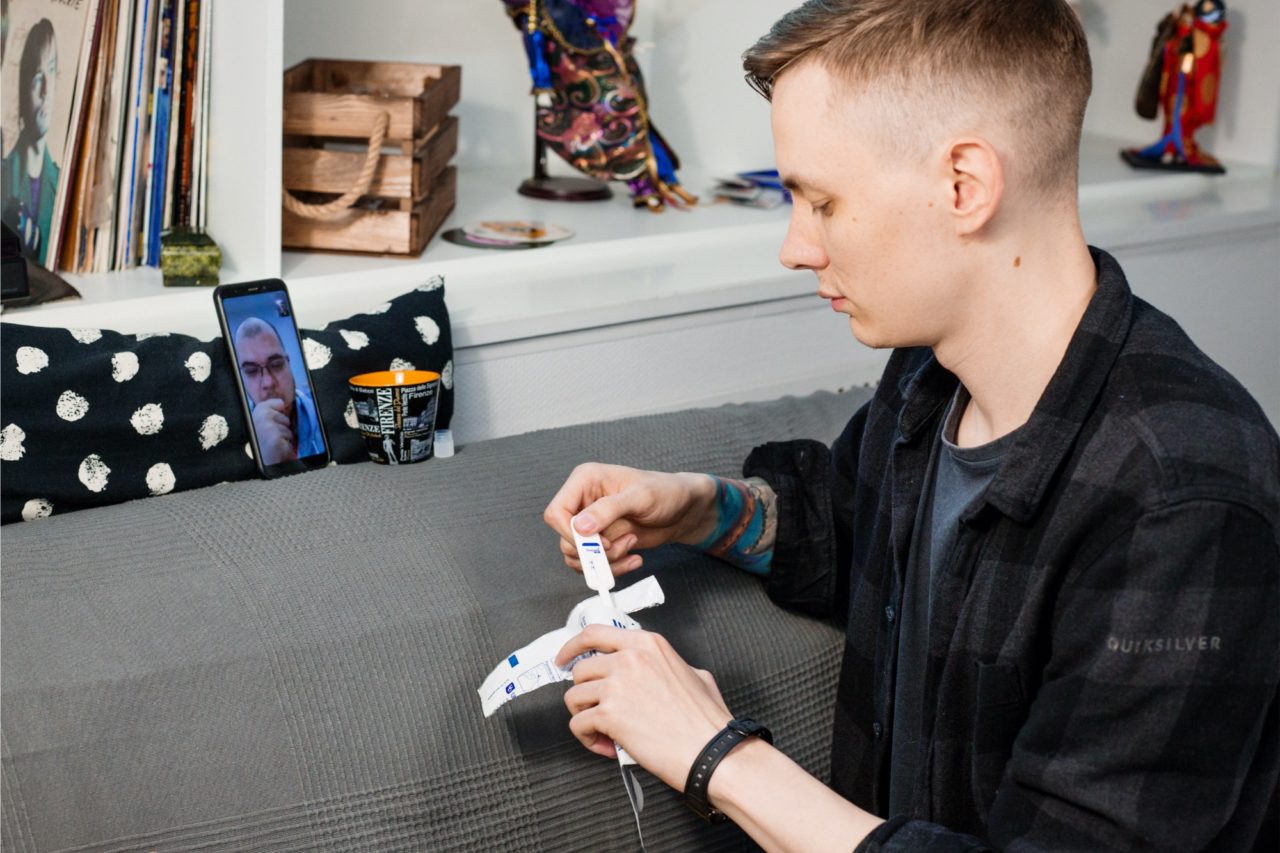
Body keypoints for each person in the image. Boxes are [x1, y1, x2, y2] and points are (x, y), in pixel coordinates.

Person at [541, 1, 1280, 849]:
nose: (795, 247)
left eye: (821, 200)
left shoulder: (1183, 504)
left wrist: (716, 755)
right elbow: (854, 525)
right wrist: (702, 509)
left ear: (963, 185)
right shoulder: (931, 372)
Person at [1, 18, 59, 265]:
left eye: (52, 71)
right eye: (37, 78)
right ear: (24, 91)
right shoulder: (3, 174)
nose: (46, 91)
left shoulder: (61, 182)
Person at [233, 317, 324, 467]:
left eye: (276, 365)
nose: (268, 382)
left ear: (288, 363)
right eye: (251, 371)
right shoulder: (234, 433)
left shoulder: (323, 409)